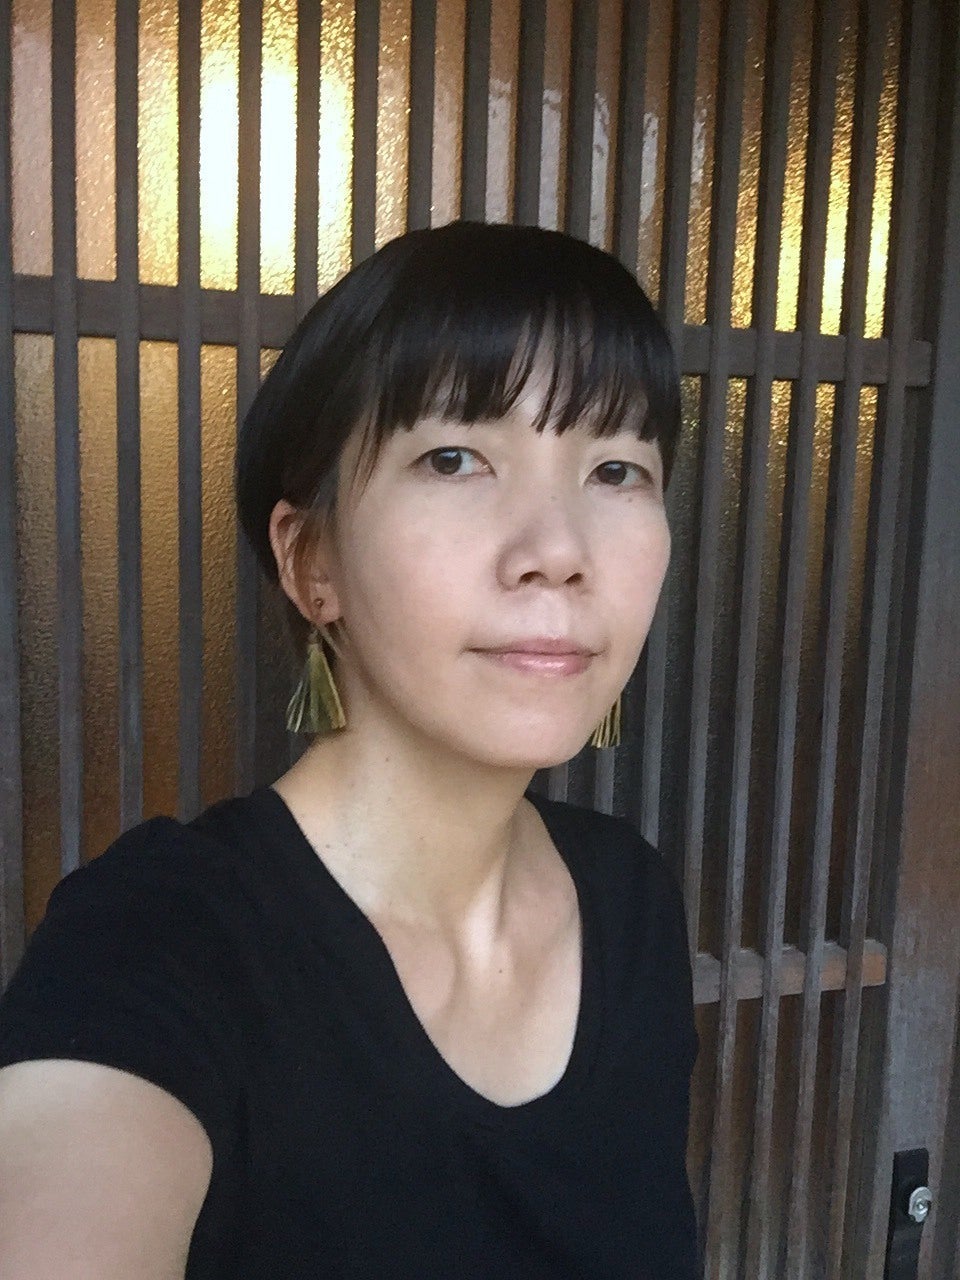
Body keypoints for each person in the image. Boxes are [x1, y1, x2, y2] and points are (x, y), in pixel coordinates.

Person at [0, 221, 699, 1278]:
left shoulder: (629, 901)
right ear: (311, 560)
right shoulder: (161, 939)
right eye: (455, 458)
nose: (558, 551)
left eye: (616, 468)